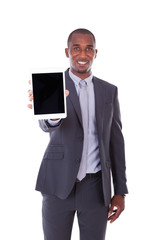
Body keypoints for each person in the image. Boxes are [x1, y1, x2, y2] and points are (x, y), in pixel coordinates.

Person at [28, 28, 128, 240]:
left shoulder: (109, 91)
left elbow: (116, 142)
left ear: (95, 53)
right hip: (57, 185)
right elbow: (46, 125)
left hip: (95, 189)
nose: (83, 55)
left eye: (88, 49)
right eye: (76, 48)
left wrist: (120, 191)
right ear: (67, 52)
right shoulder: (51, 84)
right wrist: (53, 115)